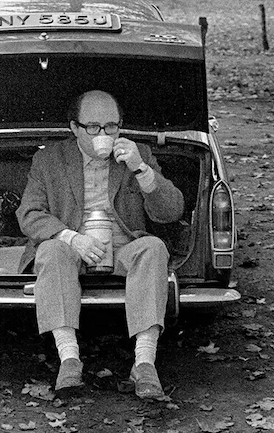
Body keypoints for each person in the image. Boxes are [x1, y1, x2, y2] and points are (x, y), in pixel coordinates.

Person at [16, 90, 184, 400]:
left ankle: (145, 363)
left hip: (124, 247)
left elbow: (171, 211)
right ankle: (69, 359)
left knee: (154, 247)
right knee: (50, 250)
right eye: (93, 127)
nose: (103, 134)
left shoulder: (139, 154)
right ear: (74, 128)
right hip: (73, 246)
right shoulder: (48, 159)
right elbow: (29, 214)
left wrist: (141, 170)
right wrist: (71, 237)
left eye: (111, 126)